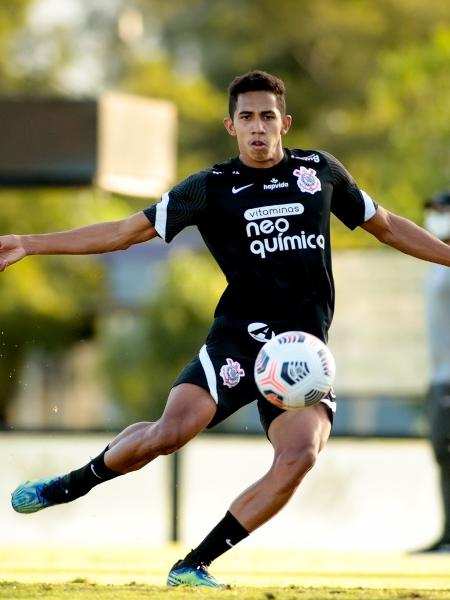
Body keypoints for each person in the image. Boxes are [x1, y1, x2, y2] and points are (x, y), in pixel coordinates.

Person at [2, 70, 450, 587]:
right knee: (169, 434)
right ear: (230, 126)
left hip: (301, 352)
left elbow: (389, 226)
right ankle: (71, 484)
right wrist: (30, 241)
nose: (257, 127)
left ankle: (194, 564)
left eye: (266, 117)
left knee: (301, 455)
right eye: (246, 118)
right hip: (239, 338)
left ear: (285, 122)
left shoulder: (319, 172)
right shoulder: (209, 188)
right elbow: (124, 232)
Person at [415, 190, 450, 553]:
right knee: (444, 454)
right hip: (439, 375)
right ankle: (448, 535)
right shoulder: (436, 259)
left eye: (443, 211)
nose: (436, 216)